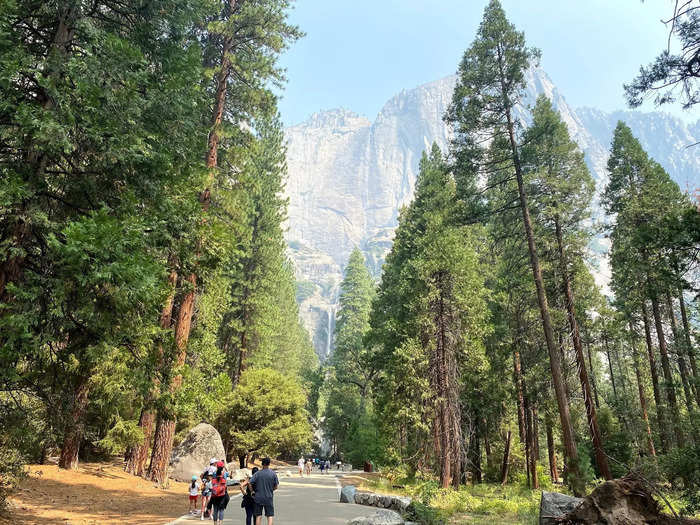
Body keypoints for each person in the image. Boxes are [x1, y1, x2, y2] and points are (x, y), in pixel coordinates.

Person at [250, 457, 278, 525]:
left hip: (258, 497)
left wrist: (252, 491)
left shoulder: (257, 474)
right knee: (270, 516)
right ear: (269, 464)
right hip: (269, 497)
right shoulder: (273, 474)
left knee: (258, 516)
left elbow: (249, 483)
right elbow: (276, 486)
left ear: (262, 464)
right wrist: (271, 489)